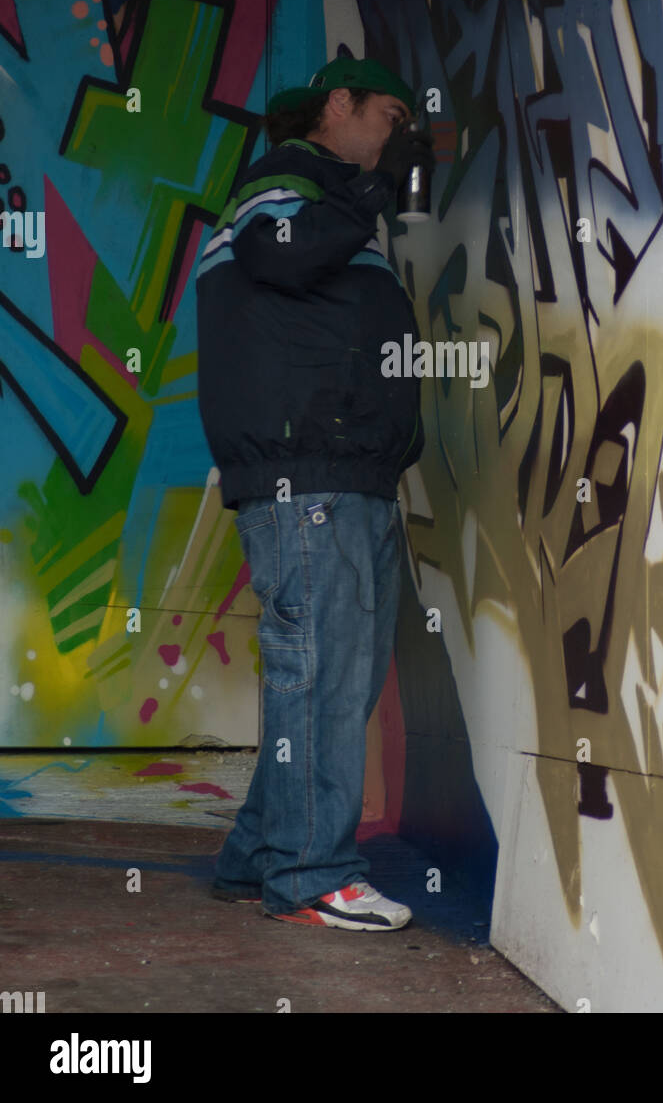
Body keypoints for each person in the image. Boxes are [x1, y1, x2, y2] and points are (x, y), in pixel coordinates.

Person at [195, 56, 436, 930]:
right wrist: (374, 192)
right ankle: (310, 877)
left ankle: (261, 851)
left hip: (344, 474)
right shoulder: (290, 181)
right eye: (391, 114)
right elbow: (281, 258)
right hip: (311, 476)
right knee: (323, 674)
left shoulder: (326, 198)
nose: (399, 133)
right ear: (339, 104)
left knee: (335, 680)